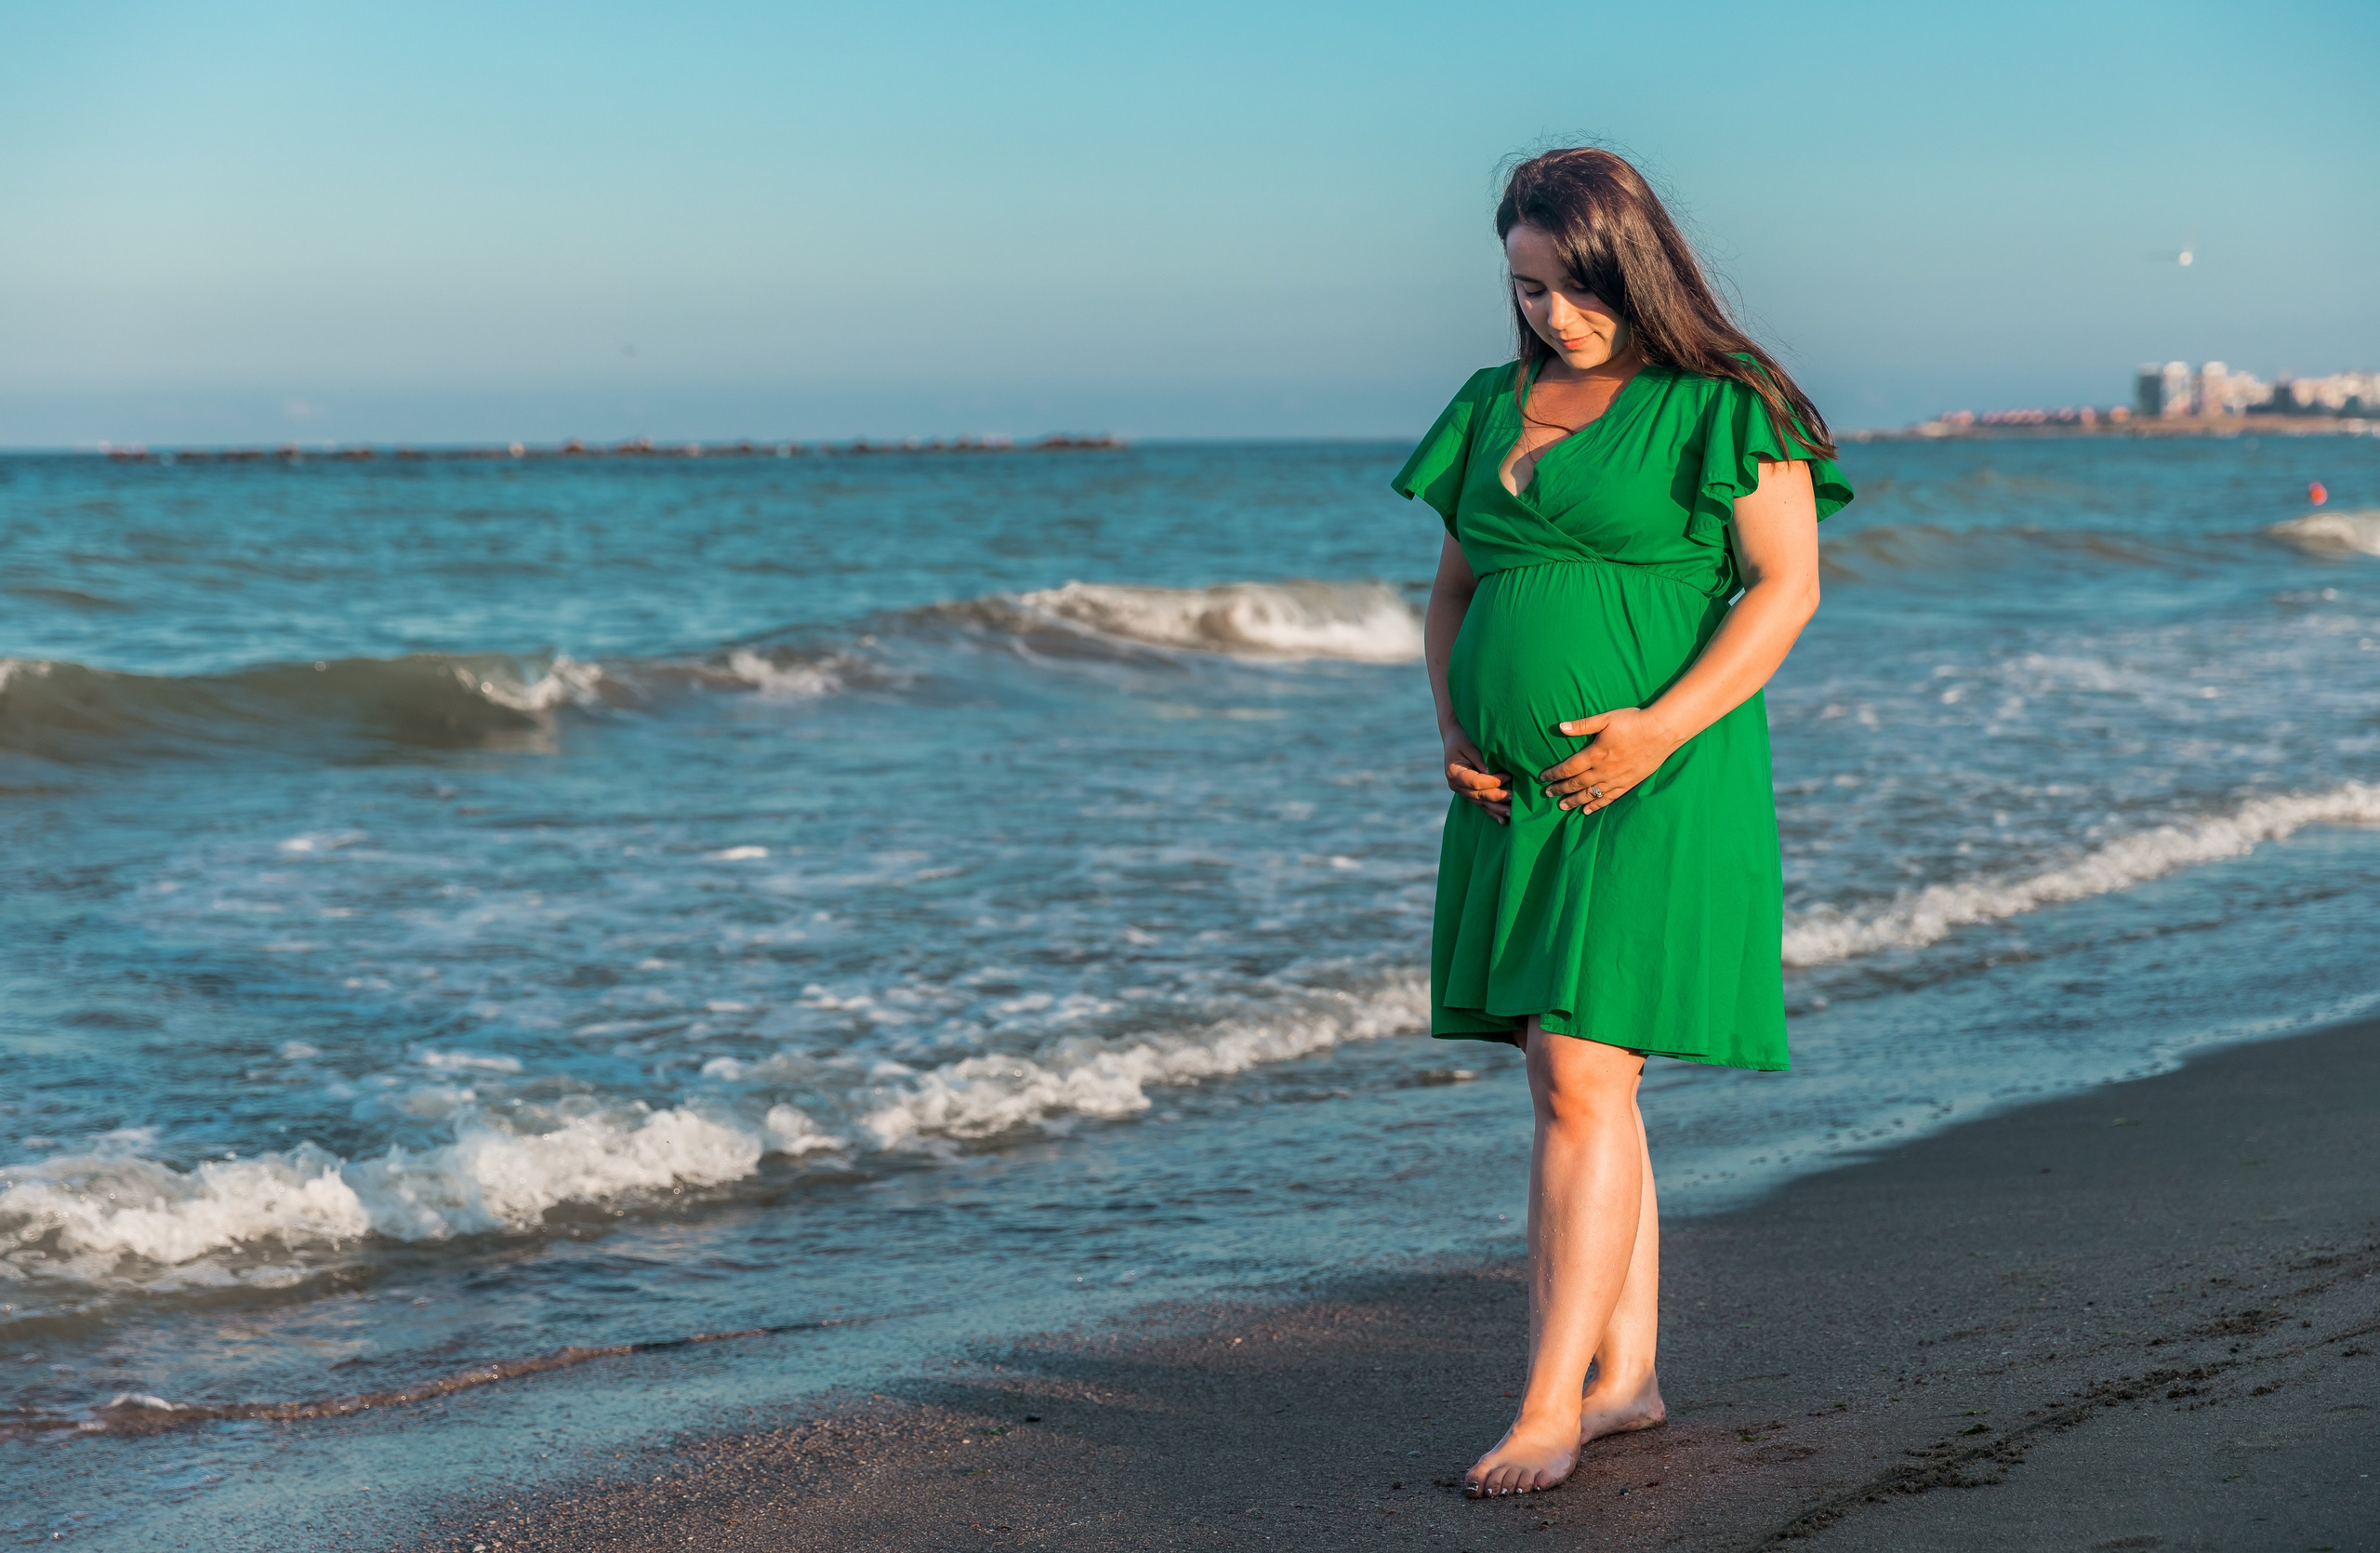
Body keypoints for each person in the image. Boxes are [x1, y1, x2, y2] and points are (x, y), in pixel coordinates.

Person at [1392, 147, 1854, 1498]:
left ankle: (1549, 1404)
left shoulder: (1725, 406)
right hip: (1514, 793)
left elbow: (1785, 591)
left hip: (1659, 775)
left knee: (1583, 1077)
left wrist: (1655, 727)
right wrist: (1456, 733)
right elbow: (1453, 599)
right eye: (1527, 287)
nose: (1549, 313)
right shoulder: (1490, 406)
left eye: (1572, 285)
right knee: (1579, 1080)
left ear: (1630, 261)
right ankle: (1630, 1374)